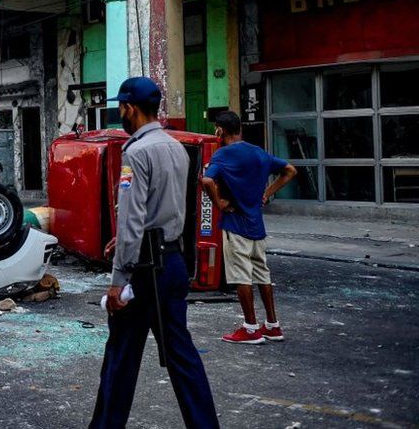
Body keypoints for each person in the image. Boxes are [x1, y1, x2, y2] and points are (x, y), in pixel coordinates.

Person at [90, 77, 219, 429]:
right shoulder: (176, 147)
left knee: (121, 356)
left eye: (121, 107)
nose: (120, 113)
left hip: (145, 269)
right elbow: (169, 209)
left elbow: (131, 217)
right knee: (182, 356)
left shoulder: (136, 151)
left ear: (129, 108)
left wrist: (119, 280)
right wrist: (135, 240)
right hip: (172, 262)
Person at [201, 111, 297, 345]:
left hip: (235, 225)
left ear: (220, 130)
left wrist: (220, 203)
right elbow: (290, 171)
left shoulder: (222, 155)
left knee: (241, 276)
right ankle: (272, 325)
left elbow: (206, 181)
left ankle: (250, 327)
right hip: (257, 225)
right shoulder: (258, 153)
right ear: (240, 128)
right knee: (262, 274)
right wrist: (267, 192)